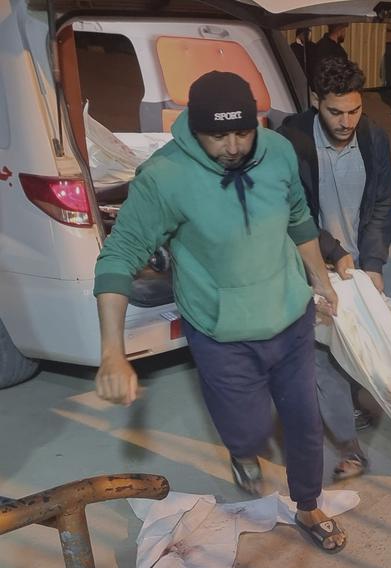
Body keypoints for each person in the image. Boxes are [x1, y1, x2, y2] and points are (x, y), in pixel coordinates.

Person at [92, 71, 347, 552]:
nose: (233, 145)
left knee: (304, 420)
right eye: (217, 135)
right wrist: (112, 353)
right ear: (194, 127)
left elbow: (296, 215)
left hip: (289, 315)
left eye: (243, 131)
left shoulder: (277, 151)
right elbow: (118, 257)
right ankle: (242, 451)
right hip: (221, 331)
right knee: (248, 428)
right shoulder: (164, 179)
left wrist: (320, 277)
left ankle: (309, 503)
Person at [278, 57, 391, 481]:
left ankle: (357, 404)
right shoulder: (290, 142)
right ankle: (350, 448)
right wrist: (331, 253)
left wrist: (374, 263)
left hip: (358, 269)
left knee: (363, 347)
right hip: (310, 267)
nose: (346, 121)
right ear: (315, 101)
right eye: (335, 112)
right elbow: (289, 212)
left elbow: (383, 202)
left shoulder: (373, 137)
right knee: (323, 356)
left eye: (354, 110)